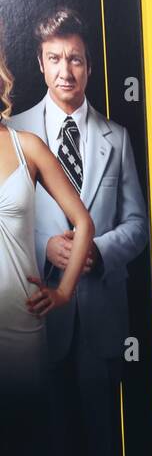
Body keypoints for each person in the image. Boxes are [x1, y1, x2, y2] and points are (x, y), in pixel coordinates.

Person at [8, 5, 148, 456]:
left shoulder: (118, 138)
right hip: (31, 313)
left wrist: (98, 251)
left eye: (76, 59)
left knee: (102, 449)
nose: (66, 71)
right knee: (44, 449)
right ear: (40, 64)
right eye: (55, 59)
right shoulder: (14, 135)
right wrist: (47, 244)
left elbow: (138, 224)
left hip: (102, 318)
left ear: (89, 65)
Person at [0, 35, 93, 417]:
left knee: (27, 452)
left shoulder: (28, 146)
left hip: (21, 326)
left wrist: (64, 292)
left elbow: (83, 222)